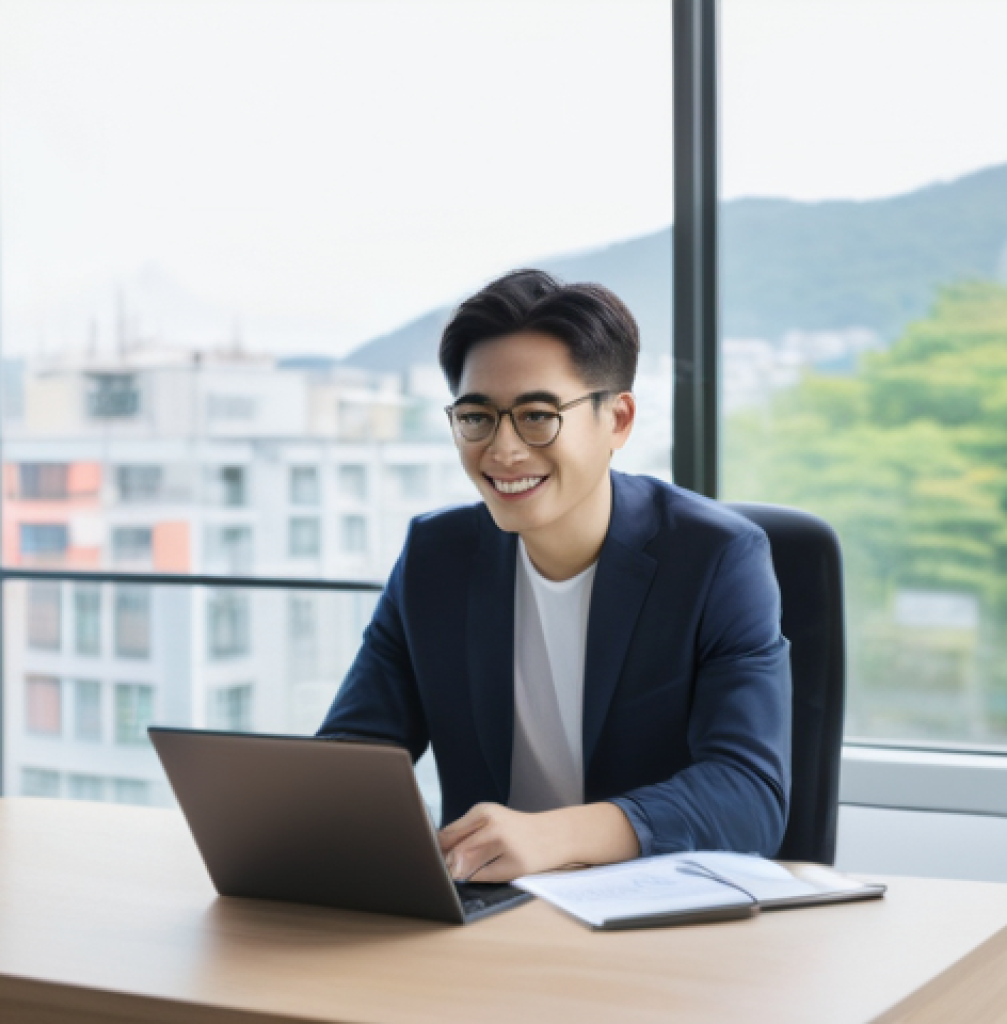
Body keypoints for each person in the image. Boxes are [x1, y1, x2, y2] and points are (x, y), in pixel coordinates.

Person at [318, 269, 791, 883]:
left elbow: (749, 796)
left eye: (537, 416)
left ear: (617, 420)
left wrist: (554, 834)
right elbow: (356, 755)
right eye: (477, 418)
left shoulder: (717, 560)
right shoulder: (436, 555)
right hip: (485, 916)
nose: (504, 451)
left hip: (652, 917)